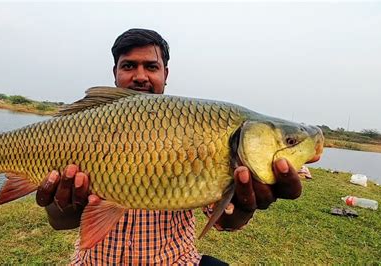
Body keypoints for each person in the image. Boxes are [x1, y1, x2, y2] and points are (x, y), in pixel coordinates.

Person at [35, 28, 302, 265]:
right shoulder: (83, 127)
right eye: (128, 66)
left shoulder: (192, 127)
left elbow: (226, 221)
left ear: (165, 73)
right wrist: (62, 200)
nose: (140, 76)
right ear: (114, 74)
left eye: (151, 67)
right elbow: (60, 223)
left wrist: (246, 205)